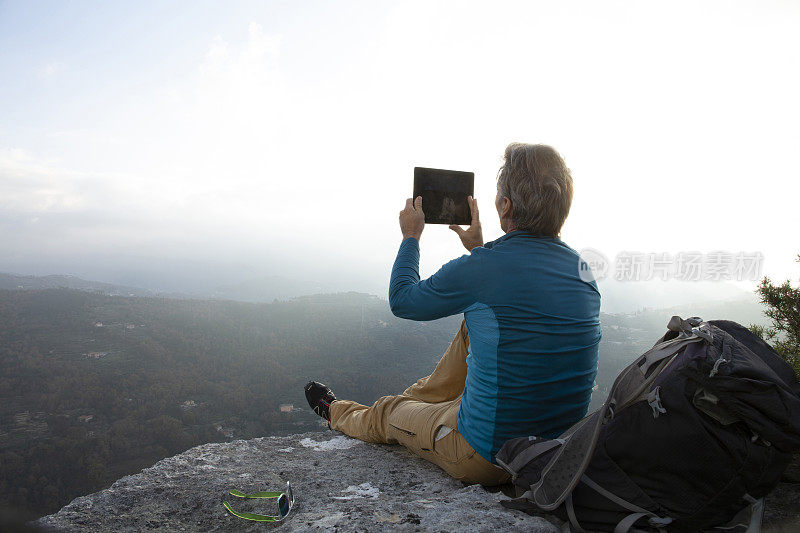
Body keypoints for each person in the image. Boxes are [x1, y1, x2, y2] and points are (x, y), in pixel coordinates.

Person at [306, 143, 601, 486]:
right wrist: (480, 249)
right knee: (475, 324)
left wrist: (411, 236)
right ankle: (419, 401)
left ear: (505, 205)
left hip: (488, 455)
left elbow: (402, 300)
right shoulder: (583, 271)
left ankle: (335, 412)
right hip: (557, 447)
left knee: (389, 412)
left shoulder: (484, 268)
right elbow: (514, 299)